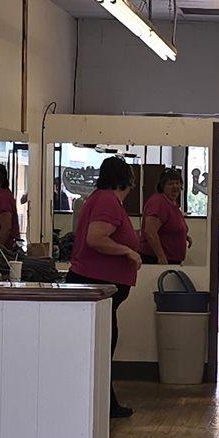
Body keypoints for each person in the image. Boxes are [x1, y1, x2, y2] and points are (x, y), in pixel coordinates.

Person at [69, 155, 142, 419]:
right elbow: (95, 238)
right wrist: (128, 252)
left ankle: (106, 402)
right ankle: (102, 404)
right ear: (128, 180)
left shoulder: (102, 199)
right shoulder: (108, 200)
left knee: (103, 344)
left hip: (100, 286)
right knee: (101, 346)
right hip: (95, 284)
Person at [140, 167, 191, 270]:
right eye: (171, 184)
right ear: (162, 186)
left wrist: (184, 235)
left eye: (177, 183)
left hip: (171, 260)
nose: (175, 187)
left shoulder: (172, 202)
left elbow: (169, 226)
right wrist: (161, 257)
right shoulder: (158, 202)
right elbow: (150, 232)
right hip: (156, 260)